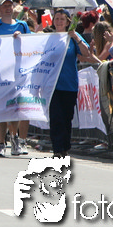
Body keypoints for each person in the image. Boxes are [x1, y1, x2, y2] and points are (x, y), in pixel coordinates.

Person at [0, 0, 31, 156]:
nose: (8, 8)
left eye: (10, 5)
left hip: (17, 73)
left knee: (15, 109)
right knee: (2, 110)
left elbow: (32, 45)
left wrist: (21, 38)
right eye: (4, 6)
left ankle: (14, 138)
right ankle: (2, 143)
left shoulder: (22, 25)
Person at [49, 9, 92, 157]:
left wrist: (75, 37)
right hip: (53, 85)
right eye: (56, 18)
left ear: (68, 22)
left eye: (62, 19)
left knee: (67, 117)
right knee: (56, 117)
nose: (59, 21)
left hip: (69, 84)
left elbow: (86, 53)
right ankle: (57, 149)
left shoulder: (73, 37)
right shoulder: (49, 37)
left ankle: (65, 147)